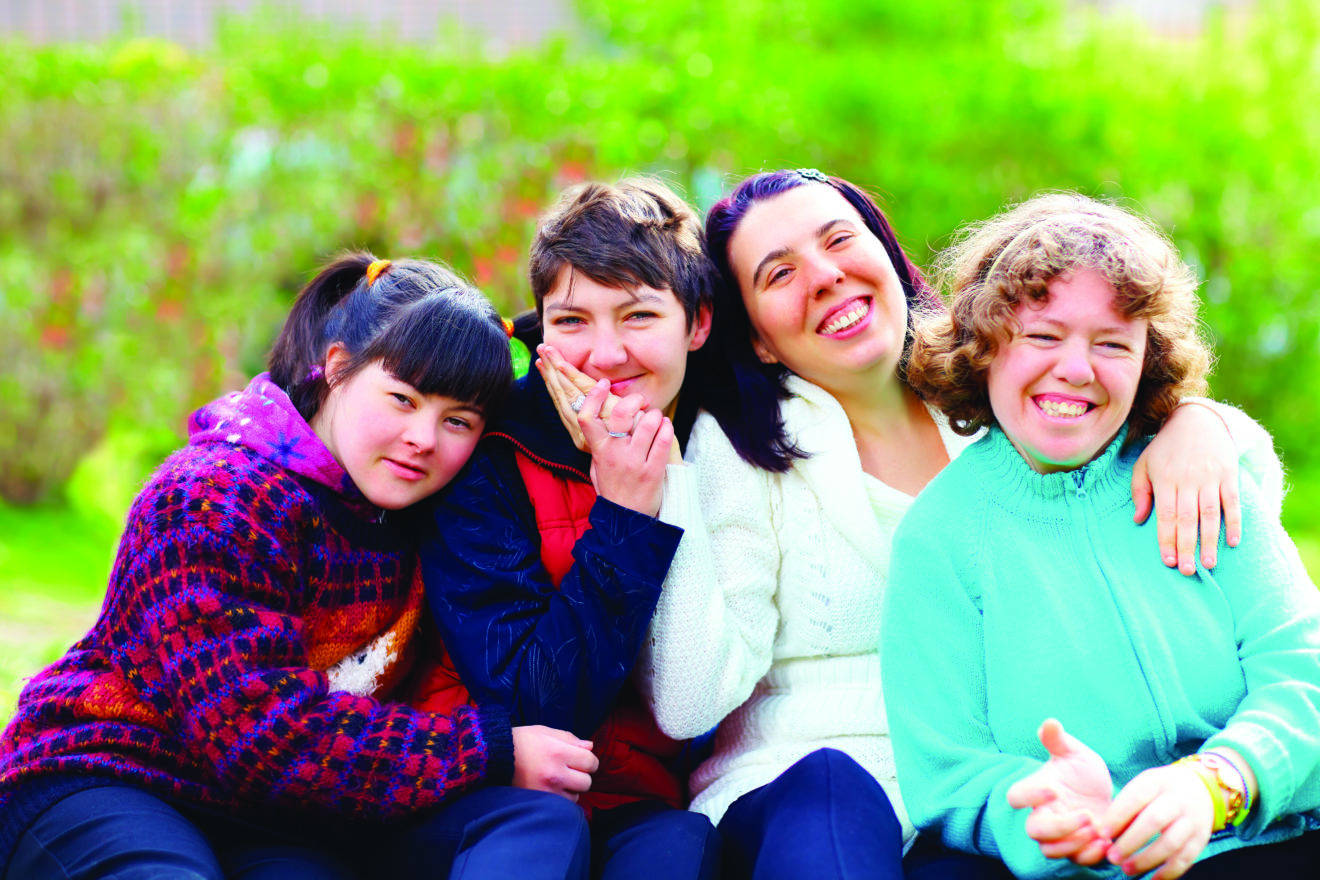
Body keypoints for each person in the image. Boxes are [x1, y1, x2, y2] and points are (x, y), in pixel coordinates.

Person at [626, 170, 1273, 880]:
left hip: (1004, 780)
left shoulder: (999, 391)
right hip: (818, 781)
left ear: (887, 257)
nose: (825, 275)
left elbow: (1223, 489)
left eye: (839, 239)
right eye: (779, 273)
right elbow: (689, 700)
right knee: (835, 794)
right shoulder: (741, 448)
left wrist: (1202, 422)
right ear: (759, 340)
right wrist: (671, 486)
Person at [0, 253, 601, 880]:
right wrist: (488, 751)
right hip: (112, 777)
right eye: (402, 398)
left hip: (280, 816)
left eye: (458, 420)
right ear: (338, 368)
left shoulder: (417, 518)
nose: (424, 437)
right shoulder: (213, 497)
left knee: (534, 820)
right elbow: (259, 735)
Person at [883, 193, 1320, 879]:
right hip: (1077, 862)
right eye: (1043, 336)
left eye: (1112, 343)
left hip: (1267, 830)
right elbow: (948, 770)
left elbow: (1302, 666)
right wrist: (1041, 817)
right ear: (984, 344)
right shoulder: (940, 537)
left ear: (1146, 358)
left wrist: (1219, 782)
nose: (1078, 369)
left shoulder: (1199, 473)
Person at [411, 180, 721, 880]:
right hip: (496, 799)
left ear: (697, 323)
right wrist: (623, 516)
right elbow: (531, 707)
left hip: (644, 800)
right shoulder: (489, 458)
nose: (605, 355)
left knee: (679, 845)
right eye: (574, 320)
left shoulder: (723, 442)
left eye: (638, 316)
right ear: (542, 329)